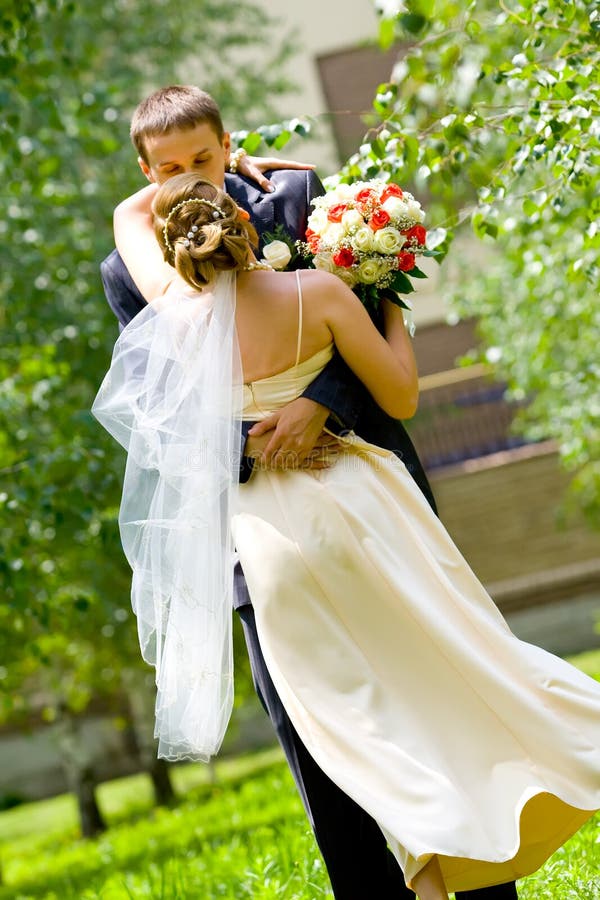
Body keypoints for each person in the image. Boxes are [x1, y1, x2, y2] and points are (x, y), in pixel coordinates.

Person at [93, 173, 600, 900]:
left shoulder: (173, 330)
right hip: (365, 511)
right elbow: (398, 394)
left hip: (271, 543)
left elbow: (132, 231)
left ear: (175, 251)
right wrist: (388, 299)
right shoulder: (319, 294)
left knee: (359, 731)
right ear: (244, 218)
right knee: (453, 670)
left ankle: (423, 861)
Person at [99, 85, 482, 900]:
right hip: (254, 531)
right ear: (144, 170)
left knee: (436, 684)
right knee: (310, 738)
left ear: (227, 143)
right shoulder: (127, 274)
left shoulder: (302, 202)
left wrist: (321, 406)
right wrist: (255, 441)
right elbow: (165, 410)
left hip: (366, 478)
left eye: (204, 159)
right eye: (168, 168)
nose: (189, 178)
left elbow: (368, 307)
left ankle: (481, 876)